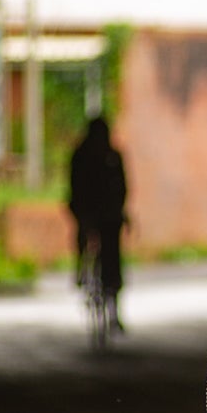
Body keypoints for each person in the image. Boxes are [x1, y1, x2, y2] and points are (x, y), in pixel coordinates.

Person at [67, 116, 129, 331]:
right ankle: (82, 268)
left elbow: (121, 187)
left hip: (105, 211)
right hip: (91, 209)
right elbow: (76, 186)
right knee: (101, 245)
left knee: (110, 254)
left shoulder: (101, 156)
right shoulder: (93, 155)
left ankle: (111, 302)